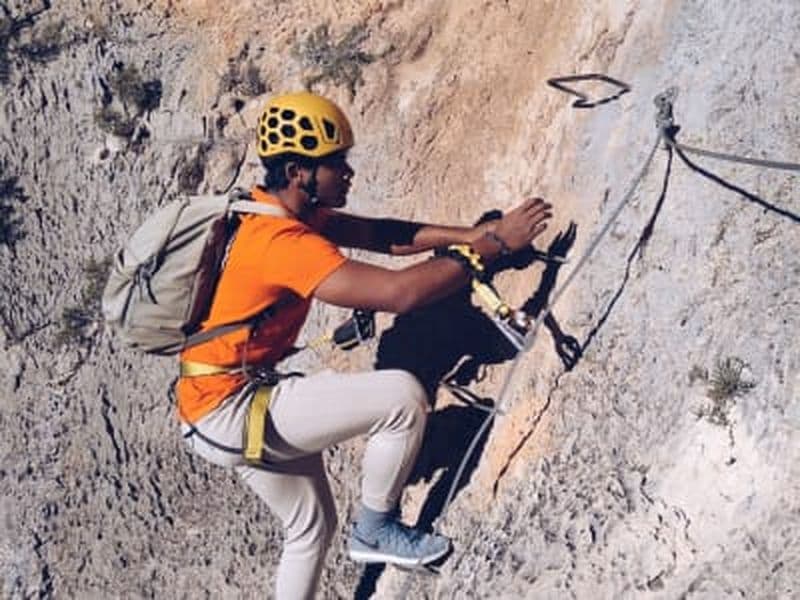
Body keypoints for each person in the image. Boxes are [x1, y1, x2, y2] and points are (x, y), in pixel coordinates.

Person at [176, 91, 552, 599]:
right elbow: (399, 295)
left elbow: (383, 235)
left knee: (309, 528)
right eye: (337, 164)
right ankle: (376, 529)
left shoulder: (274, 211)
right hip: (233, 410)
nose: (347, 173)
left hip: (208, 407)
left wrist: (471, 234)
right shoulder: (282, 244)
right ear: (297, 172)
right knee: (401, 398)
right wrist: (494, 246)